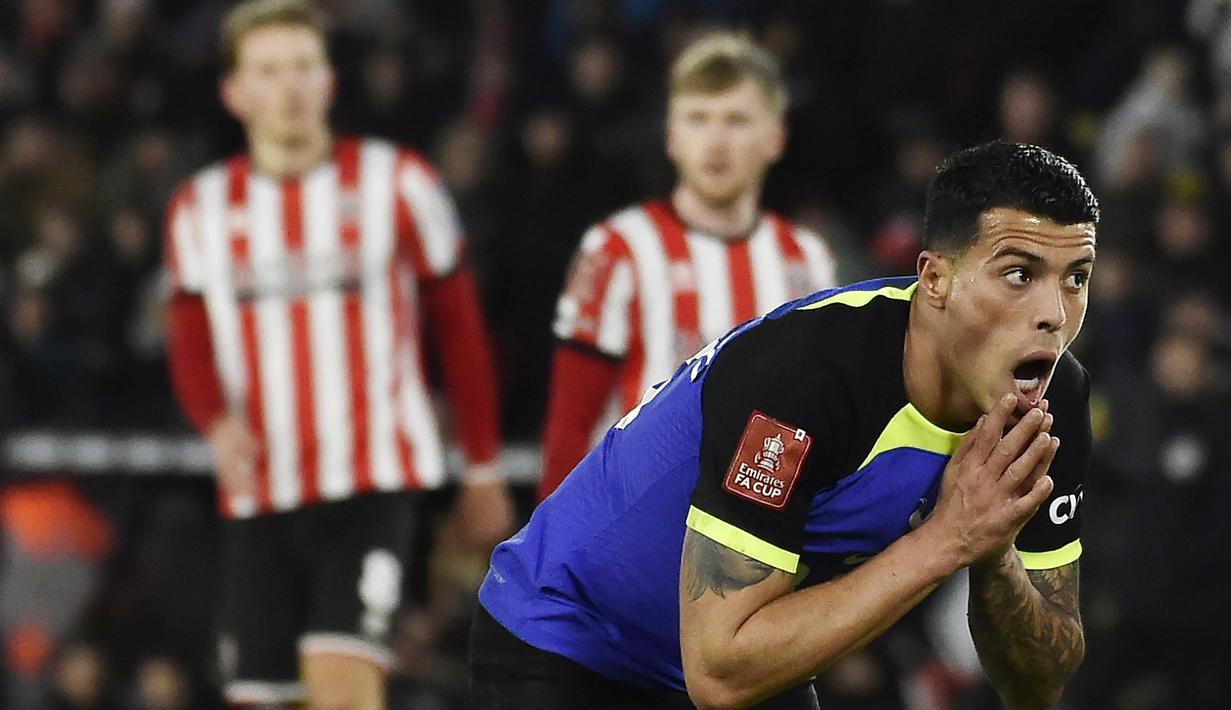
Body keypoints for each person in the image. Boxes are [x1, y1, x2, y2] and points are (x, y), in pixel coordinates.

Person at [472, 140, 1096, 710]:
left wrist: (994, 552)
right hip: (571, 640)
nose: (1054, 314)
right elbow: (717, 676)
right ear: (935, 279)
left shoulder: (1051, 403)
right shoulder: (802, 378)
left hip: (751, 641)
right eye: (1019, 274)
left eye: (1076, 279)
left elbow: (1038, 685)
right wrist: (949, 538)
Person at [162, 1, 513, 707]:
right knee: (261, 696)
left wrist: (481, 466)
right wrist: (215, 423)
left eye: (303, 66)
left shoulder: (399, 182)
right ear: (234, 93)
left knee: (343, 687)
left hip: (372, 484)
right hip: (260, 491)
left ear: (328, 80)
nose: (289, 87)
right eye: (268, 71)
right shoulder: (201, 208)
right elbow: (189, 340)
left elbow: (460, 329)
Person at [536, 33, 838, 502]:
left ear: (776, 138)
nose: (716, 142)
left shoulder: (808, 261)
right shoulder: (617, 250)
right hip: (633, 527)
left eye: (737, 120)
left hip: (764, 532)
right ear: (671, 136)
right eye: (698, 119)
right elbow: (569, 424)